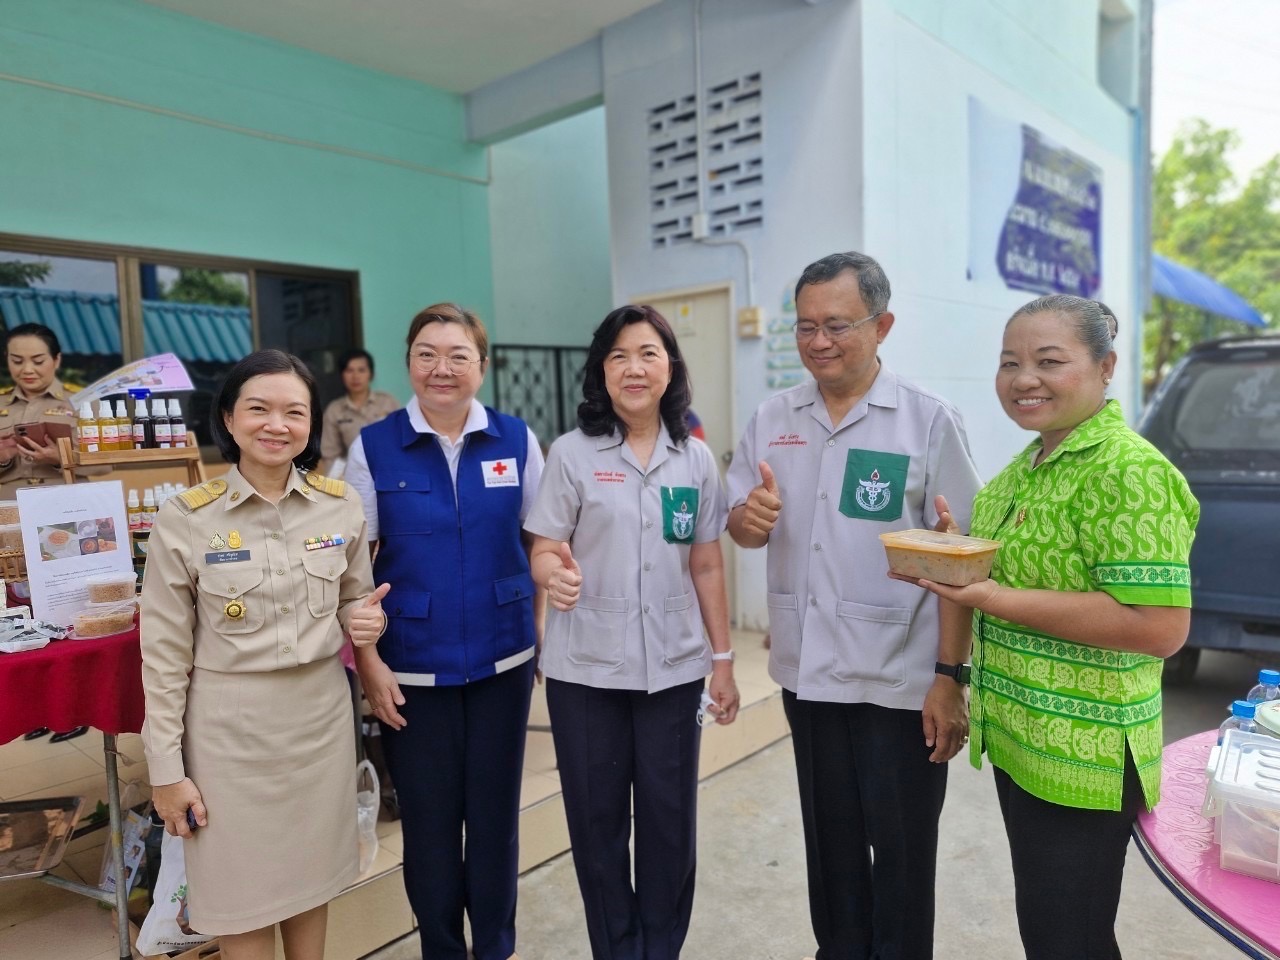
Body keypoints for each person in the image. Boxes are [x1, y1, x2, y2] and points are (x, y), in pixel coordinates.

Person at [896, 295, 1199, 960]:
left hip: (1087, 754)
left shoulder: (1129, 471)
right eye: (1009, 363)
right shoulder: (1015, 478)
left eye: (1049, 361)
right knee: (1048, 927)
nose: (1023, 378)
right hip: (1025, 746)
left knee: (1071, 937)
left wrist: (994, 593)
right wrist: (955, 553)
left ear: (1104, 366)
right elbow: (980, 582)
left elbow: (1158, 626)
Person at [725, 251, 982, 960]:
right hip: (808, 676)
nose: (819, 342)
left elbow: (964, 563)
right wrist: (751, 518)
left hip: (902, 680)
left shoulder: (926, 421)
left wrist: (950, 679)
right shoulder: (775, 415)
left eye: (837, 324)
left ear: (883, 324)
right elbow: (740, 525)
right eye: (805, 326)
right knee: (830, 846)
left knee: (900, 858)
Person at [140, 349, 389, 960]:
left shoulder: (340, 506)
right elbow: (164, 656)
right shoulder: (185, 519)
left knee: (312, 887)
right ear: (228, 418)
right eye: (259, 408)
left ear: (310, 424)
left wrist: (364, 620)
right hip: (230, 734)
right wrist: (166, 771)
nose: (277, 424)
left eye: (294, 412)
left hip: (319, 725)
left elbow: (353, 601)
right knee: (239, 897)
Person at [525, 304, 740, 960]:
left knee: (670, 824)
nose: (633, 367)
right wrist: (550, 575)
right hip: (586, 673)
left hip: (674, 671)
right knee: (597, 828)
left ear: (670, 367)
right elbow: (544, 547)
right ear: (602, 372)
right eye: (617, 356)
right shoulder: (572, 454)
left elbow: (705, 561)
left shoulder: (695, 458)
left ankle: (661, 949)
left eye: (647, 352)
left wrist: (724, 659)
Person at [344, 303, 544, 960]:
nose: (442, 367)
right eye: (427, 353)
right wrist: (368, 663)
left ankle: (495, 947)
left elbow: (543, 544)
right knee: (429, 825)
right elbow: (352, 567)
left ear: (482, 367)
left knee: (493, 819)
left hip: (503, 659)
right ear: (409, 362)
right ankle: (440, 948)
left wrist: (540, 631)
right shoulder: (372, 446)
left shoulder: (517, 441)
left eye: (459, 354)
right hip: (411, 669)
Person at [2, 322, 94, 742]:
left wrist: (58, 458)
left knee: (65, 615)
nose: (27, 369)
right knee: (23, 617)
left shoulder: (78, 405)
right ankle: (39, 710)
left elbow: (106, 464)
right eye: (17, 360)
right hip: (11, 528)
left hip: (62, 521)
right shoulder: (1, 407)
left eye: (38, 360)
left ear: (56, 360)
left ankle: (73, 709)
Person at [317, 348, 399, 477]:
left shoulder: (387, 402)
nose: (355, 376)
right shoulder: (335, 410)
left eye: (361, 370)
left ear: (371, 374)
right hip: (353, 477)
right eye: (349, 370)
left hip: (390, 471)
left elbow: (402, 440)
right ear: (342, 375)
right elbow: (330, 454)